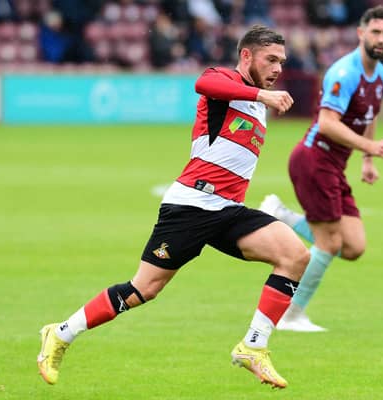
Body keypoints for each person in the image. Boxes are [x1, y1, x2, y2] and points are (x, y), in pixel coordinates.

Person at [37, 24, 310, 389]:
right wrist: (262, 95)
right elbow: (204, 83)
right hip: (191, 206)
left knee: (295, 255)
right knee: (142, 290)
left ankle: (253, 347)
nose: (278, 68)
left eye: (282, 61)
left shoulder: (257, 102)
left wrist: (261, 97)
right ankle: (61, 333)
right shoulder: (226, 82)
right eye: (271, 60)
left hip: (228, 210)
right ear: (247, 56)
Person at [259, 6, 383, 332]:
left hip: (334, 165)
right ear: (361, 33)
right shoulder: (344, 72)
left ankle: (283, 217)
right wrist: (369, 147)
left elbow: (370, 115)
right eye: (375, 32)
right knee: (329, 243)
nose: (381, 39)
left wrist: (366, 160)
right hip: (314, 159)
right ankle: (291, 315)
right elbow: (326, 123)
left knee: (354, 247)